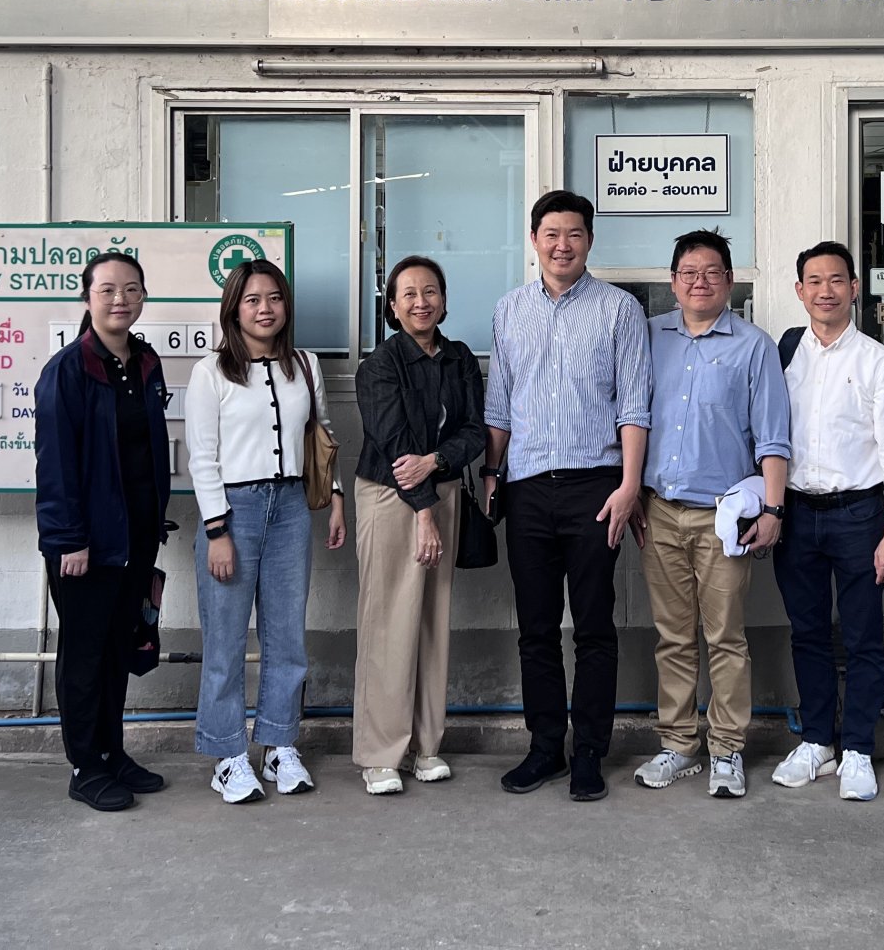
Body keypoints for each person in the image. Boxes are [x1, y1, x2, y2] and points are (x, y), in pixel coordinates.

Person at [483, 189, 651, 802]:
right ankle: (545, 747)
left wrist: (629, 485)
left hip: (595, 488)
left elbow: (634, 404)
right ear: (534, 240)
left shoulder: (619, 310)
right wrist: (491, 473)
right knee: (535, 628)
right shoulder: (509, 310)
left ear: (589, 241)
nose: (562, 245)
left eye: (574, 234)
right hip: (526, 487)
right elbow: (500, 404)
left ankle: (589, 753)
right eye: (551, 234)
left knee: (594, 627)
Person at [634, 230, 791, 800]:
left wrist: (773, 508)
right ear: (673, 281)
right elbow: (629, 416)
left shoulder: (754, 346)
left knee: (725, 636)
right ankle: (678, 745)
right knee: (673, 637)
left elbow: (773, 436)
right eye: (689, 272)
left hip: (723, 518)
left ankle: (727, 750)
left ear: (729, 280)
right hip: (658, 511)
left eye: (712, 272)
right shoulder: (648, 336)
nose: (700, 282)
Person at [183, 259, 346, 805]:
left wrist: (336, 498)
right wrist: (216, 530)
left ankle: (279, 744)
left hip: (292, 506)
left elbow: (321, 435)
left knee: (287, 636)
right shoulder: (211, 372)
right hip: (234, 510)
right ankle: (227, 755)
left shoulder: (305, 364)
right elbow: (202, 457)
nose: (265, 309)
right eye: (252, 300)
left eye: (274, 298)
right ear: (234, 309)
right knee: (226, 640)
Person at [770, 241, 884, 802]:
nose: (825, 290)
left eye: (836, 280)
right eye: (814, 281)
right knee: (807, 632)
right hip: (796, 513)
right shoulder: (785, 354)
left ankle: (856, 747)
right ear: (799, 290)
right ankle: (816, 741)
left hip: (859, 513)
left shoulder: (879, 362)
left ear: (855, 288)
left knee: (862, 636)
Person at [34, 251, 173, 812]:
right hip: (85, 546)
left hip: (135, 537)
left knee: (118, 648)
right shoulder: (67, 371)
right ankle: (85, 765)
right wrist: (69, 538)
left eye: (132, 289)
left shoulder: (145, 362)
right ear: (87, 297)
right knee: (85, 656)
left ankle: (112, 753)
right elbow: (56, 464)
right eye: (108, 289)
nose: (121, 299)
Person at [351, 255, 487, 795]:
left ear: (444, 301)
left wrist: (437, 462)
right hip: (391, 497)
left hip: (442, 490)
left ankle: (425, 746)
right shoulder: (379, 365)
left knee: (432, 622)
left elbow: (474, 431)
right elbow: (394, 444)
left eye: (429, 291)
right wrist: (424, 510)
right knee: (389, 621)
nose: (420, 302)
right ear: (392, 306)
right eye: (408, 294)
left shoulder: (459, 359)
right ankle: (380, 754)